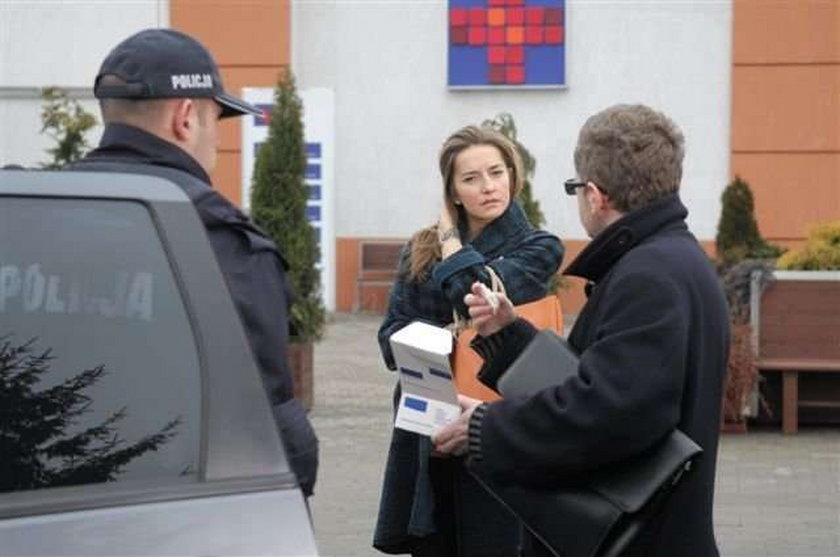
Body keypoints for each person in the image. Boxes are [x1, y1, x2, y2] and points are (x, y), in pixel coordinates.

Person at [433, 104, 729, 557]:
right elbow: (604, 382)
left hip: (637, 540)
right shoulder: (670, 259)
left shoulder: (649, 275)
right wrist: (509, 338)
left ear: (595, 195)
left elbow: (612, 413)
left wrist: (486, 428)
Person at [68, 28, 318, 497]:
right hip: (177, 503)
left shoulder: (32, 213)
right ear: (185, 118)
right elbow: (270, 423)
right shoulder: (219, 239)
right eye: (215, 122)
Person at [373, 125, 565, 556]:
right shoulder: (419, 249)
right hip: (430, 420)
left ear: (512, 178)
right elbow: (390, 338)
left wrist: (449, 237)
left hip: (497, 421)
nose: (488, 187)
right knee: (436, 541)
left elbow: (477, 291)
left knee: (497, 542)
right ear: (453, 192)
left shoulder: (540, 247)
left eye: (496, 173)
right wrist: (446, 339)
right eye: (471, 178)